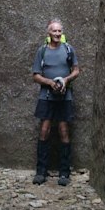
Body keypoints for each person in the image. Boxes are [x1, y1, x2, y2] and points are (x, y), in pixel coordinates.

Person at [31, 19, 80, 186]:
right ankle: (41, 171)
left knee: (63, 130)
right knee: (44, 130)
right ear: (49, 33)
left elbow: (76, 70)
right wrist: (50, 83)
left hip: (64, 97)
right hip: (46, 96)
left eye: (60, 31)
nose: (57, 34)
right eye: (54, 31)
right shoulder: (42, 51)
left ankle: (64, 173)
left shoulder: (68, 49)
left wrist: (65, 80)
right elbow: (35, 75)